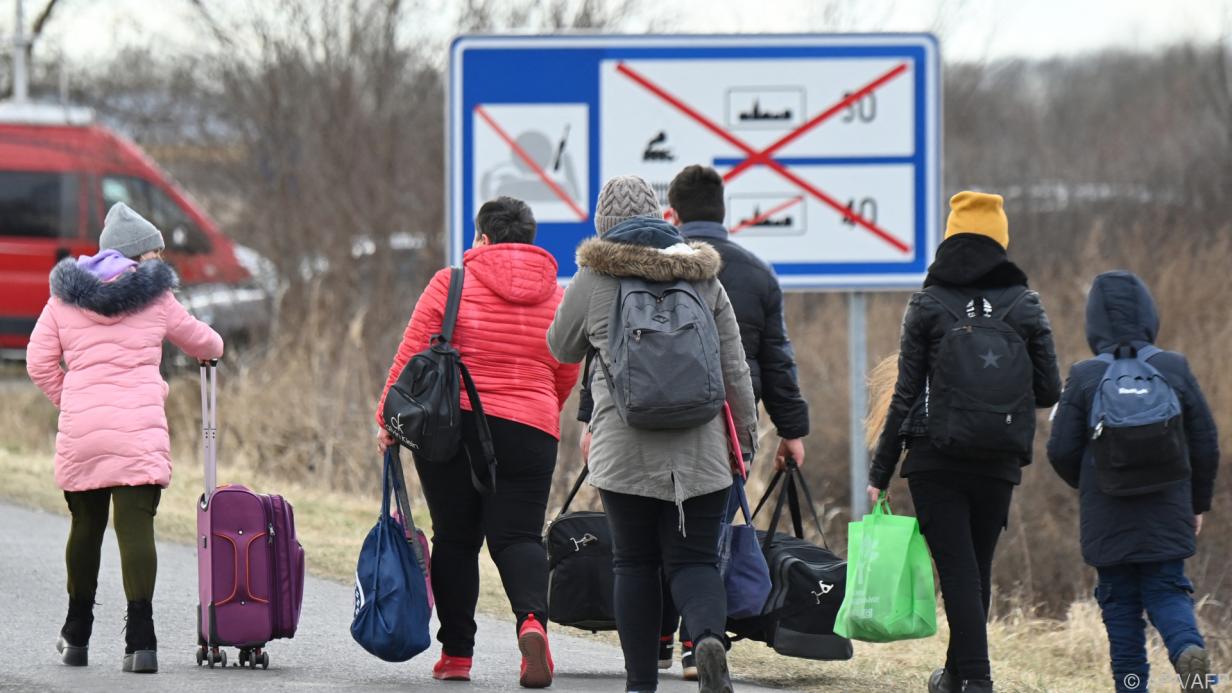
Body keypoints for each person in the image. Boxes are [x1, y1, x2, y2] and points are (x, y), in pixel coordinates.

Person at [548, 175, 758, 693]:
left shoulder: (594, 278)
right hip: (703, 450)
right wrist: (745, 443)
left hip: (624, 448)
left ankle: (641, 683)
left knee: (635, 563)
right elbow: (735, 369)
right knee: (694, 560)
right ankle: (706, 636)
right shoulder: (703, 276)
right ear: (661, 216)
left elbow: (560, 346)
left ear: (603, 226)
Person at [376, 196, 579, 688]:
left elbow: (413, 352)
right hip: (531, 426)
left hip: (453, 424)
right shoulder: (558, 295)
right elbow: (567, 366)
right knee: (519, 536)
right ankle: (532, 622)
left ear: (483, 238)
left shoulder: (451, 283)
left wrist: (387, 415)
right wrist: (539, 409)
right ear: (531, 240)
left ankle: (457, 655)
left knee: (456, 537)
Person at [865, 191, 1061, 693]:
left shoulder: (927, 304)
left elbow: (905, 391)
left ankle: (976, 679)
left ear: (950, 236)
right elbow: (1048, 390)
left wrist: (879, 473)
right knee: (976, 569)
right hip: (998, 458)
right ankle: (956, 677)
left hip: (935, 457)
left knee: (957, 572)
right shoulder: (1025, 304)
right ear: (1001, 239)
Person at [26, 202, 225, 674]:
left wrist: (71, 399)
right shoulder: (157, 297)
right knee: (135, 530)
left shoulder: (64, 298)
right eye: (155, 251)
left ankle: (76, 636)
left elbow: (37, 362)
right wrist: (209, 351)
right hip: (137, 431)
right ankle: (142, 641)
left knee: (85, 529)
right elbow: (206, 343)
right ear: (139, 255)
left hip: (82, 432)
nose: (160, 258)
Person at [1046, 271, 1218, 693]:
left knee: (1119, 605)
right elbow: (1206, 442)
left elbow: (1060, 449)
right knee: (1167, 590)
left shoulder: (1085, 375)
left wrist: (1089, 482)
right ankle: (1186, 652)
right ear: (1148, 314)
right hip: (1168, 506)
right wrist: (1197, 503)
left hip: (1107, 510)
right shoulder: (1173, 367)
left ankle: (1131, 686)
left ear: (1093, 323)